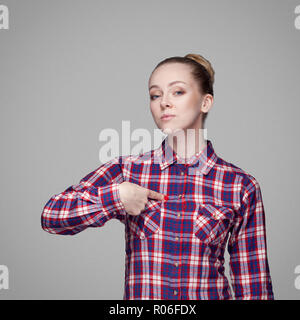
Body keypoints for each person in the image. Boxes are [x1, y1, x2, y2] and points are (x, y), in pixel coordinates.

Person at [41, 53, 274, 300]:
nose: (164, 102)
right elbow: (52, 216)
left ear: (205, 102)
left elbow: (254, 286)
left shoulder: (240, 185)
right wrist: (116, 197)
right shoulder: (128, 170)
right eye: (155, 95)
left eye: (178, 92)